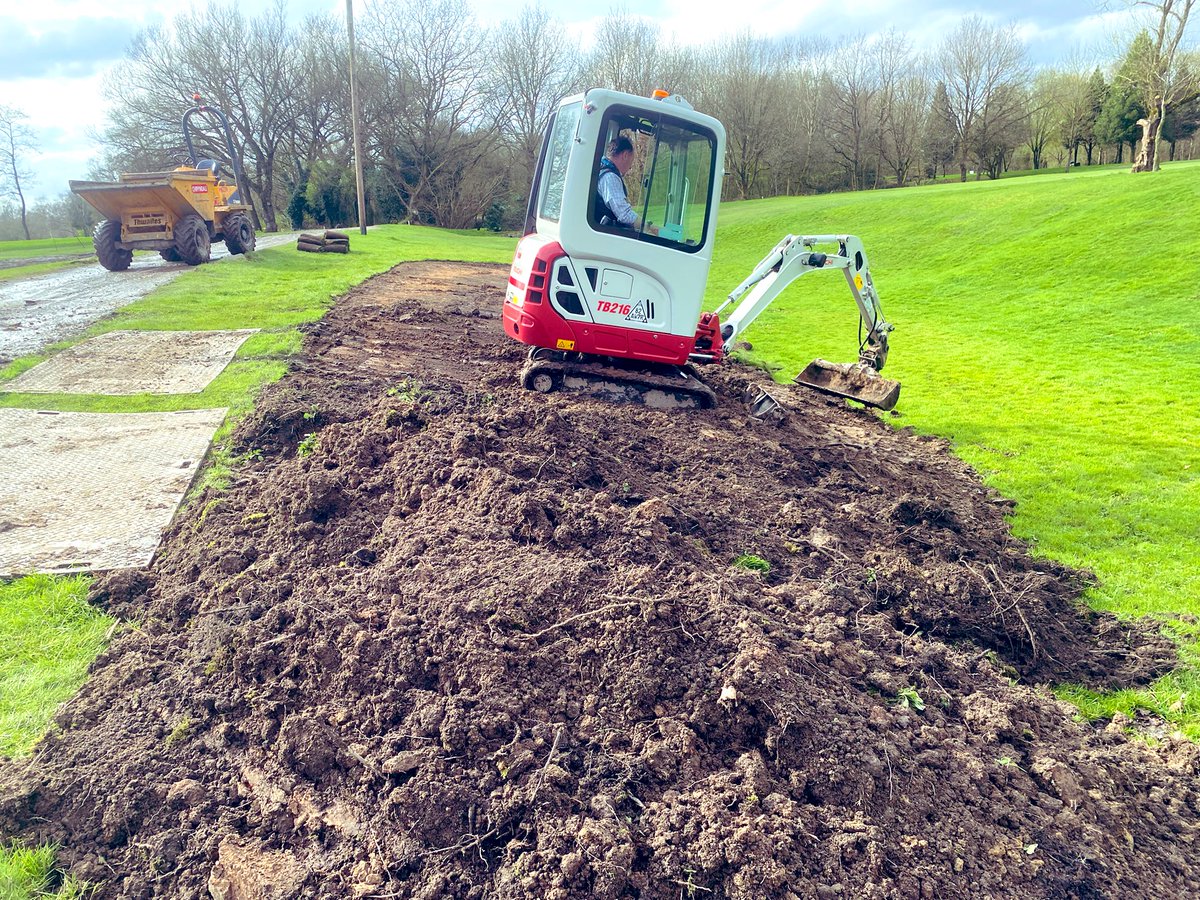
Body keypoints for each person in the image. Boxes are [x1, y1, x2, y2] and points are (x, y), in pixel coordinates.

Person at [595, 135, 657, 235]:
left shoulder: (601, 169)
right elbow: (624, 214)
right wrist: (650, 227)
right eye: (631, 162)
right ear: (625, 155)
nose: (630, 168)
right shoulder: (610, 177)